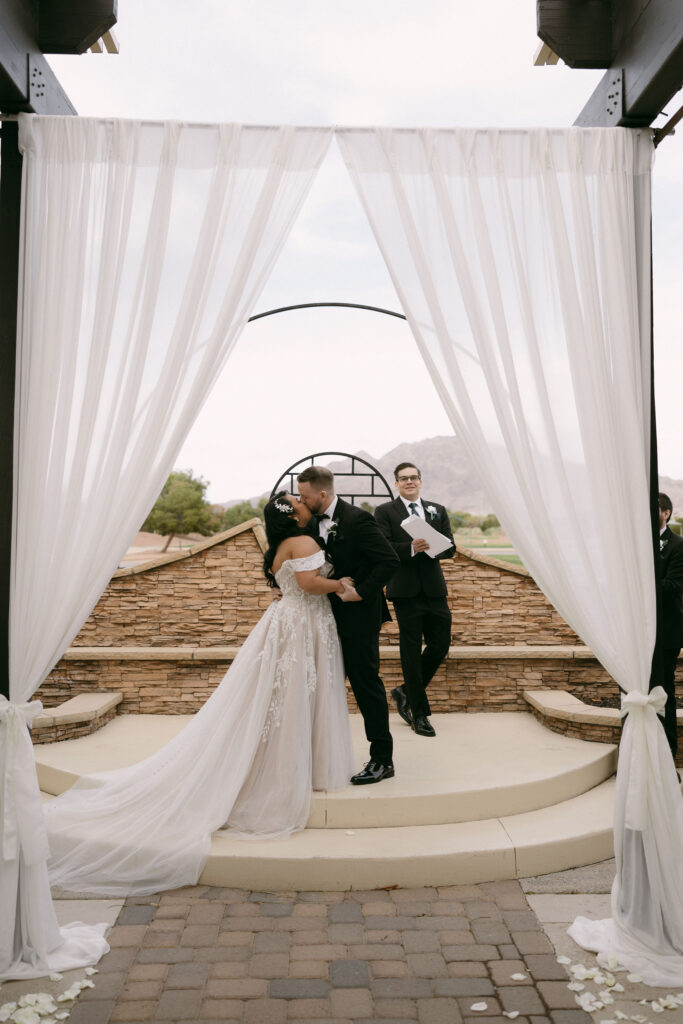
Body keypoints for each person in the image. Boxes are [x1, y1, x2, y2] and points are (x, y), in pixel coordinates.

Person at [43, 492, 355, 896]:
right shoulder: (306, 542)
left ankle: (292, 763)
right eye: (297, 501)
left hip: (287, 622)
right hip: (302, 625)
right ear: (294, 515)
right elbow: (309, 583)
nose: (304, 502)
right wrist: (342, 584)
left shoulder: (279, 546)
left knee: (284, 699)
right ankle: (285, 776)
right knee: (294, 698)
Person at [297, 466, 400, 784]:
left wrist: (362, 592)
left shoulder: (357, 519)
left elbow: (389, 559)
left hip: (358, 617)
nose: (302, 500)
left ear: (322, 494)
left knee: (365, 685)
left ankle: (382, 760)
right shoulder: (311, 521)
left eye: (306, 495)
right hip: (324, 617)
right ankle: (319, 757)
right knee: (323, 686)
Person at [375, 462, 455, 737]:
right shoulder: (385, 511)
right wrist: (409, 548)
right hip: (405, 590)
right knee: (410, 651)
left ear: (420, 481)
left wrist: (438, 546)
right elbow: (381, 547)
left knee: (440, 644)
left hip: (434, 588)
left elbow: (451, 548)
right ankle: (419, 713)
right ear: (396, 484)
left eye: (413, 477)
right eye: (403, 479)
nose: (409, 482)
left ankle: (405, 691)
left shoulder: (437, 510)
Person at [655, 492, 683, 763]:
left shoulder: (677, 545)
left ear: (666, 513)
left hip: (667, 633)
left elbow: (674, 587)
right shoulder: (639, 543)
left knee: (665, 694)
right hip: (641, 633)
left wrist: (643, 577)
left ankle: (668, 755)